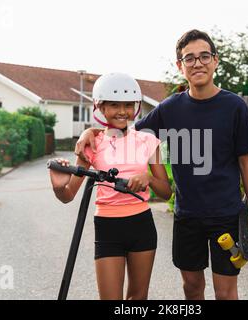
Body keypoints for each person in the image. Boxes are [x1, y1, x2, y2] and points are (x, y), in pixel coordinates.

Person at [75, 30, 248, 300]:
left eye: (204, 56)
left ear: (215, 61)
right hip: (187, 215)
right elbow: (123, 130)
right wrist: (90, 132)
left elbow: (246, 163)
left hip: (226, 215)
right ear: (180, 66)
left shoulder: (234, 106)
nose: (197, 63)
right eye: (190, 58)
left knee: (225, 293)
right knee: (192, 288)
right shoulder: (169, 108)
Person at [49, 72, 172, 300]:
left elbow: (166, 192)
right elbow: (68, 195)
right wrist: (58, 186)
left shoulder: (148, 142)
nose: (122, 111)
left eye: (128, 105)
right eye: (114, 105)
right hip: (107, 229)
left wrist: (149, 178)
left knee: (137, 299)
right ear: (101, 108)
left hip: (142, 225)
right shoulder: (92, 144)